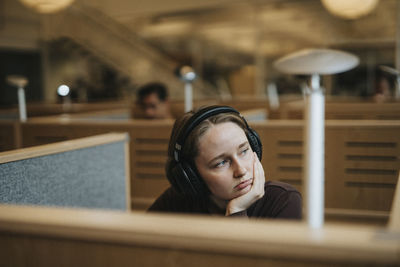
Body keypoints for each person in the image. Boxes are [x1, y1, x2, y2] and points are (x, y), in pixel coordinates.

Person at [148, 105, 302, 219]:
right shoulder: (176, 203)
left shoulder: (282, 201)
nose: (241, 170)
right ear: (191, 175)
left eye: (244, 151)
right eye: (221, 163)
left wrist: (236, 211)